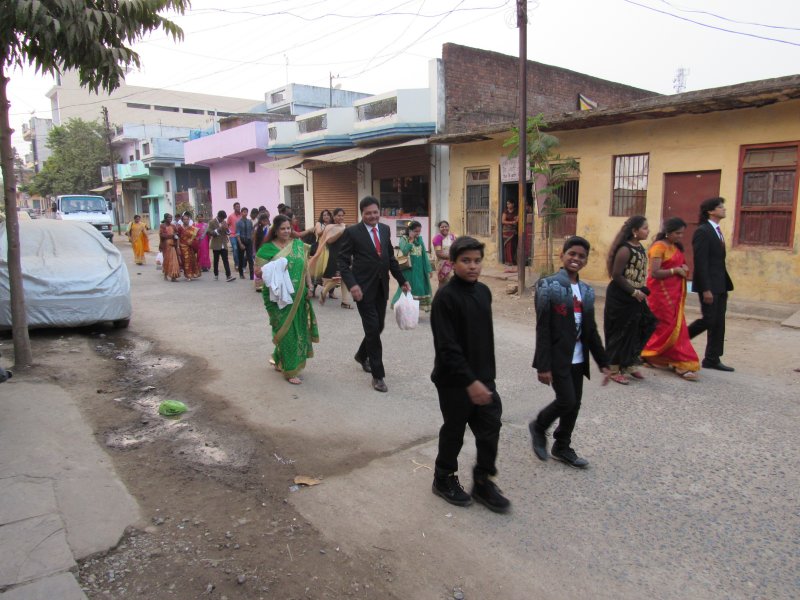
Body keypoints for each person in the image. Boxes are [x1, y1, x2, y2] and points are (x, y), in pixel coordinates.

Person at [430, 236, 511, 513]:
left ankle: (483, 481)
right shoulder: (445, 298)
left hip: (483, 378)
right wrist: (469, 381)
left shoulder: (484, 292)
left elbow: (482, 340)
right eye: (466, 261)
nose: (473, 266)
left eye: (477, 260)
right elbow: (447, 348)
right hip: (454, 381)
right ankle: (443, 478)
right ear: (452, 264)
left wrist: (484, 378)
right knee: (454, 430)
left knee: (490, 429)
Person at [529, 236, 611, 469]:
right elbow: (542, 327)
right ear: (562, 256)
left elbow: (591, 330)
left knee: (574, 405)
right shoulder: (548, 285)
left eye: (581, 256)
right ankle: (539, 426)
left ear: (585, 261)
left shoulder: (586, 291)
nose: (576, 259)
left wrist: (603, 362)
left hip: (578, 358)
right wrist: (542, 365)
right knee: (566, 400)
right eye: (572, 254)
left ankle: (562, 446)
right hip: (557, 357)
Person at [337, 196, 410, 393]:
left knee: (379, 326)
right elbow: (342, 262)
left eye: (375, 212)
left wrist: (402, 280)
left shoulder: (385, 230)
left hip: (381, 287)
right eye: (368, 213)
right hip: (362, 289)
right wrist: (352, 285)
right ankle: (378, 376)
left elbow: (390, 258)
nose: (372, 216)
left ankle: (362, 354)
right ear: (362, 213)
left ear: (379, 212)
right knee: (372, 329)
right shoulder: (352, 232)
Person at [255, 215, 319, 385]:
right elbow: (257, 272)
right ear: (275, 230)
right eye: (282, 228)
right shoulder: (266, 249)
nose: (286, 231)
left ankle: (279, 358)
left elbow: (305, 268)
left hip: (298, 294)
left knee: (296, 329)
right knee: (285, 330)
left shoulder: (298, 245)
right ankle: (290, 370)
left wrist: (310, 286)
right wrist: (274, 267)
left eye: (288, 228)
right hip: (276, 297)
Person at [641, 217, 700, 381]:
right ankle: (682, 362)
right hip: (660, 294)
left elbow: (680, 266)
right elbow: (655, 273)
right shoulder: (659, 247)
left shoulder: (674, 247)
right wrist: (676, 271)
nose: (680, 236)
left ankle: (653, 356)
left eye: (682, 233)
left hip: (674, 293)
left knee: (674, 326)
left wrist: (684, 269)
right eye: (677, 233)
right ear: (667, 232)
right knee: (668, 326)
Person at [603, 215, 657, 385]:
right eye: (645, 228)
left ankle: (628, 363)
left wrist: (640, 290)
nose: (648, 231)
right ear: (635, 231)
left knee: (642, 326)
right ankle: (613, 368)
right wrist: (633, 292)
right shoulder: (625, 249)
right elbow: (617, 275)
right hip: (621, 296)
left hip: (636, 295)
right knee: (619, 332)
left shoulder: (640, 247)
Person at [688, 197, 735, 372]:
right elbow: (701, 262)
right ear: (710, 211)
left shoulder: (717, 230)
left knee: (718, 322)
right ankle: (676, 342)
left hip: (721, 283)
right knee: (709, 319)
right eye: (720, 207)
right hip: (709, 286)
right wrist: (706, 288)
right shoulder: (703, 231)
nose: (724, 209)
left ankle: (712, 358)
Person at [310, 208, 352, 309]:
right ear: (334, 216)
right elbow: (329, 241)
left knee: (345, 277)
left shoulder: (344, 226)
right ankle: (324, 291)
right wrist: (341, 232)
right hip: (334, 255)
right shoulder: (329, 227)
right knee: (337, 277)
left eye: (342, 215)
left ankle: (345, 302)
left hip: (345, 254)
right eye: (338, 215)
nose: (341, 217)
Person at [391, 220, 432, 312]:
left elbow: (424, 256)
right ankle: (404, 307)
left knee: (419, 288)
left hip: (420, 269)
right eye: (415, 231)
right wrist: (411, 240)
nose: (418, 233)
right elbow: (405, 251)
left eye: (419, 231)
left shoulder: (420, 240)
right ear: (410, 230)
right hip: (408, 269)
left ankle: (414, 309)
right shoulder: (403, 239)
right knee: (408, 287)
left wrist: (428, 269)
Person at [208, 210, 236, 282]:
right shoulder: (212, 222)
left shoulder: (224, 222)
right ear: (218, 216)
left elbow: (228, 233)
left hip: (224, 244)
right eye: (222, 218)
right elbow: (210, 233)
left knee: (225, 260)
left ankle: (228, 275)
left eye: (224, 219)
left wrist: (227, 229)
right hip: (216, 244)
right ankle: (216, 274)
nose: (223, 220)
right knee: (216, 260)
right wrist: (219, 229)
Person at [310, 209, 333, 295]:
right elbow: (319, 233)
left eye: (328, 215)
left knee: (330, 270)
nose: (326, 216)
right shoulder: (319, 224)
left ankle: (331, 292)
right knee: (317, 270)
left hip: (331, 249)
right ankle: (313, 290)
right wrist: (328, 227)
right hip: (321, 249)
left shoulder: (333, 224)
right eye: (324, 215)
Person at [176, 213, 200, 280]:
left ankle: (193, 273)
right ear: (182, 220)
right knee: (185, 261)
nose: (186, 220)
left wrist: (193, 242)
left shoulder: (192, 228)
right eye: (184, 219)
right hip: (183, 247)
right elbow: (178, 238)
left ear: (189, 220)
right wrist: (178, 247)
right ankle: (188, 275)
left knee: (192, 260)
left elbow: (196, 237)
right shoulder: (180, 228)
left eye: (187, 219)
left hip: (190, 247)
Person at [158, 213, 180, 282]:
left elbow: (177, 233)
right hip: (166, 246)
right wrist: (171, 235)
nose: (170, 219)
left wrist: (176, 236)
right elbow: (162, 235)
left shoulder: (173, 226)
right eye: (168, 218)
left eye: (171, 218)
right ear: (165, 218)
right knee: (167, 260)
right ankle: (165, 274)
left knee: (174, 261)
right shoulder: (162, 226)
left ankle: (173, 276)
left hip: (173, 245)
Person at [253, 212, 272, 292]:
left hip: (266, 249)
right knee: (258, 267)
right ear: (261, 221)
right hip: (259, 249)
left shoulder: (269, 228)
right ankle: (258, 284)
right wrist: (254, 251)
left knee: (266, 266)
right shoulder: (257, 229)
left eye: (267, 220)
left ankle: (265, 283)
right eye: (265, 220)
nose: (266, 222)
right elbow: (254, 241)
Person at [236, 207, 255, 280]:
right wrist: (240, 244)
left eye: (246, 212)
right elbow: (237, 234)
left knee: (250, 258)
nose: (245, 213)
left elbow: (252, 231)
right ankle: (241, 274)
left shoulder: (249, 222)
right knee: (241, 258)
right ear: (241, 213)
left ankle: (252, 275)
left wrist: (252, 240)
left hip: (249, 241)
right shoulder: (238, 222)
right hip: (241, 240)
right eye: (244, 212)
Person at [501, 200, 518, 266]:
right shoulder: (505, 212)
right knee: (508, 246)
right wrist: (511, 222)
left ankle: (513, 261)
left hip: (513, 231)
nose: (508, 205)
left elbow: (518, 219)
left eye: (509, 204)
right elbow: (503, 221)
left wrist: (516, 220)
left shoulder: (516, 211)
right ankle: (508, 261)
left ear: (513, 204)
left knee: (513, 246)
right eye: (507, 204)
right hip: (506, 231)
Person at [227, 202, 242, 271]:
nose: (238, 208)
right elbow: (227, 225)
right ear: (234, 208)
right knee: (235, 249)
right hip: (233, 235)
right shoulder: (231, 216)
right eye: (236, 206)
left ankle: (241, 264)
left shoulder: (242, 215)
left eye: (239, 206)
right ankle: (236, 265)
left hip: (240, 235)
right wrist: (229, 232)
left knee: (240, 250)